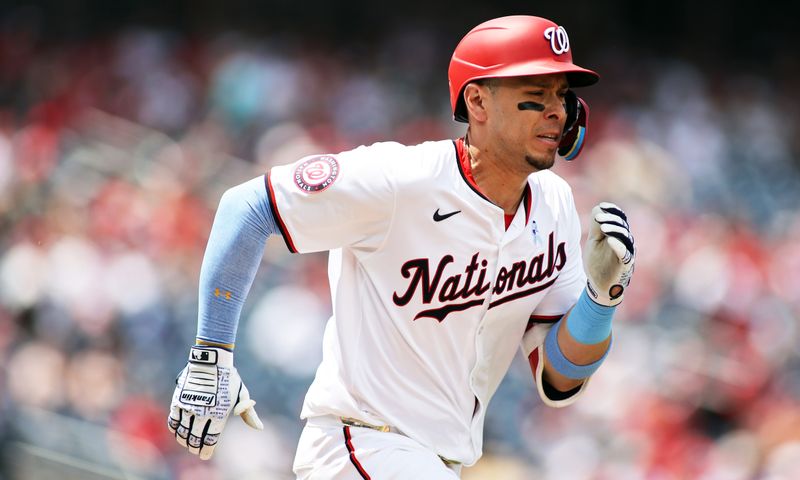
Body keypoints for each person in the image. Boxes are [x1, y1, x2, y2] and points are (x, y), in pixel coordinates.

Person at [167, 15, 635, 479]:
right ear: (477, 102)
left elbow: (557, 377)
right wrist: (211, 355)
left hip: (436, 461)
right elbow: (246, 207)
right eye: (535, 97)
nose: (557, 111)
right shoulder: (400, 180)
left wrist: (600, 300)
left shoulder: (555, 204)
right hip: (360, 444)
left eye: (562, 95)